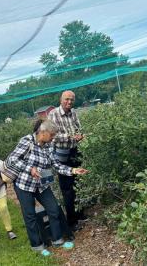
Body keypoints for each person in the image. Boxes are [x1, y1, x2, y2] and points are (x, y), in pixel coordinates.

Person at [6, 119, 88, 256]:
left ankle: (57, 239)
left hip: (42, 184)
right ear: (43, 132)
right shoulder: (27, 141)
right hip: (24, 185)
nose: (53, 137)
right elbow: (11, 160)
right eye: (52, 135)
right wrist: (29, 169)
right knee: (30, 215)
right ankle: (37, 245)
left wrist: (74, 170)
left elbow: (57, 165)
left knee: (54, 208)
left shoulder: (49, 146)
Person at [48, 90, 86, 232]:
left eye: (71, 100)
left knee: (79, 182)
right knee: (67, 188)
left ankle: (80, 212)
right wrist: (70, 136)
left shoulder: (74, 113)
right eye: (66, 99)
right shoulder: (53, 114)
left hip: (75, 151)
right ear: (61, 99)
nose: (69, 102)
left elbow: (79, 128)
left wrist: (80, 135)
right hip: (62, 154)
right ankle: (72, 220)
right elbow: (52, 135)